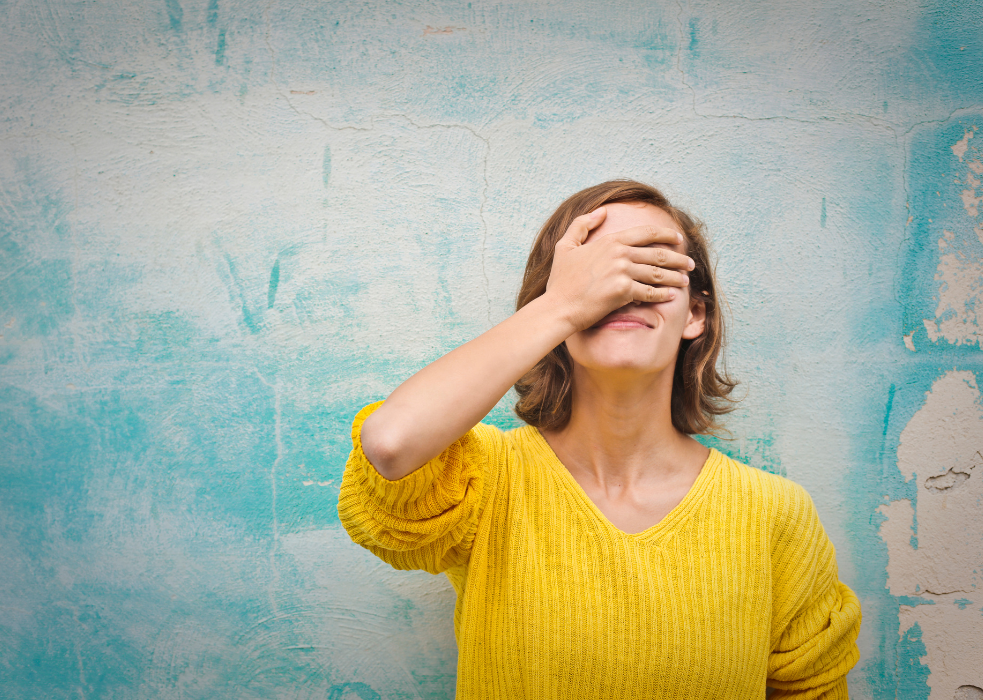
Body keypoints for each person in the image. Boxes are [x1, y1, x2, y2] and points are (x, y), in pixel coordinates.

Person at [337, 180, 861, 698]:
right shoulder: (486, 479)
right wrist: (563, 305)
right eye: (596, 267)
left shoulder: (774, 514)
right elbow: (391, 444)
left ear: (694, 314)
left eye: (653, 264)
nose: (622, 286)